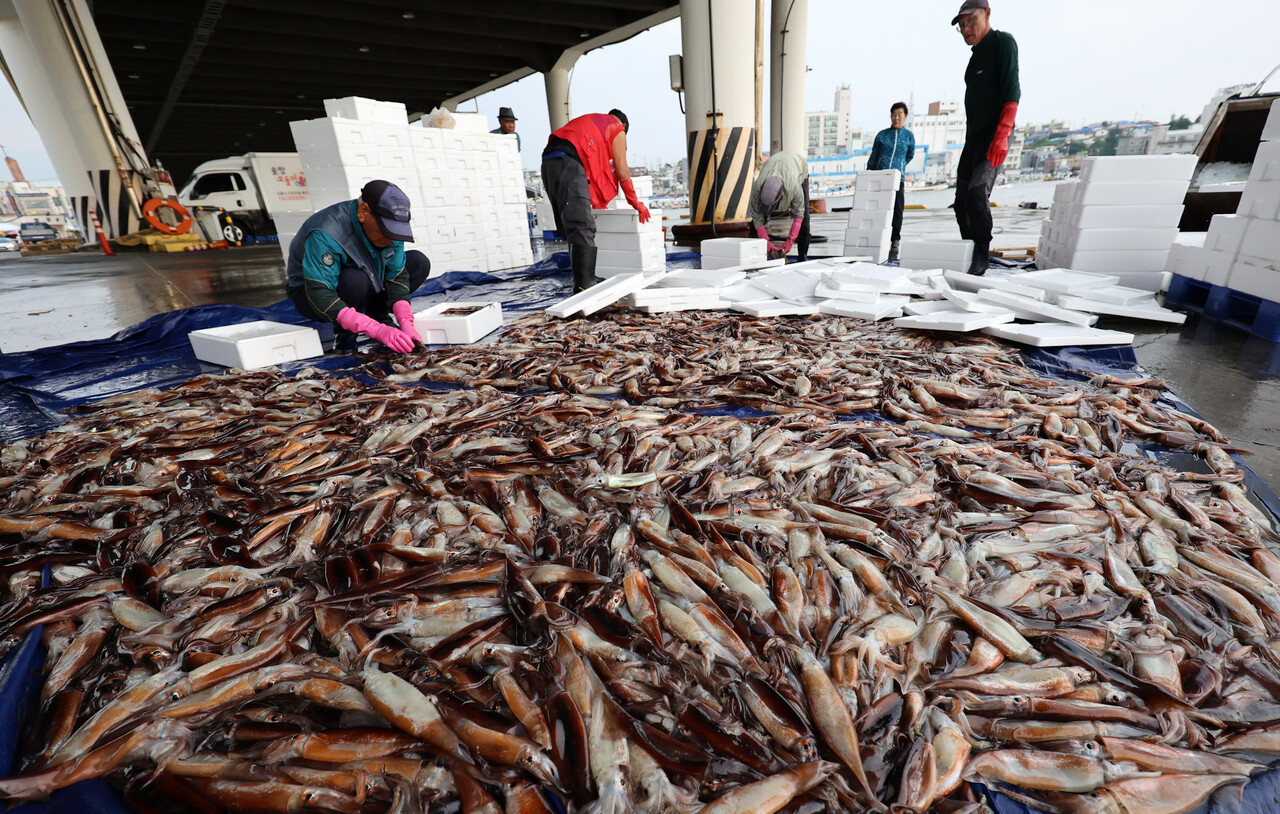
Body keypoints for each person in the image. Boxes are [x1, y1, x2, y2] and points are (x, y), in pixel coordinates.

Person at [286, 180, 430, 353]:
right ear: (364, 212)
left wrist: (405, 320)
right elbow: (319, 291)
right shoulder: (326, 232)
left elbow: (396, 275)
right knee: (355, 281)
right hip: (311, 293)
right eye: (386, 230)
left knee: (418, 262)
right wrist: (375, 330)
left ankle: (378, 314)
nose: (392, 237)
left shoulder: (392, 231)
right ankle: (345, 330)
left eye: (396, 231)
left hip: (368, 278)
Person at [541, 110, 651, 291]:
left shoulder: (591, 121)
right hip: (568, 163)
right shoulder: (616, 128)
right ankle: (584, 283)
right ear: (623, 126)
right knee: (582, 223)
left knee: (570, 224)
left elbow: (588, 171)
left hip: (549, 163)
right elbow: (622, 170)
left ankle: (582, 278)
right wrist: (635, 202)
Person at [952, 0, 1019, 276]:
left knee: (978, 192)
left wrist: (1002, 135)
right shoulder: (974, 58)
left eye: (971, 21)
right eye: (962, 25)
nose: (966, 28)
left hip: (995, 134)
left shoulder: (1003, 43)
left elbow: (1012, 91)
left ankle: (982, 250)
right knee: (960, 201)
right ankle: (968, 246)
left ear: (987, 14)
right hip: (973, 139)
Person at [867, 102, 916, 260]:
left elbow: (910, 155)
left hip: (898, 178)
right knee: (880, 208)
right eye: (894, 115)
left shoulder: (909, 136)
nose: (896, 118)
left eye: (899, 115)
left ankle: (895, 240)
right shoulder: (882, 135)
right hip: (881, 177)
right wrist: (871, 174)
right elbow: (874, 155)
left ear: (905, 116)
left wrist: (900, 166)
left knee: (897, 209)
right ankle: (878, 236)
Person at [747, 150, 810, 261]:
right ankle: (752, 255)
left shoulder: (794, 188)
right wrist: (766, 243)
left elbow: (798, 216)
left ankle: (802, 255)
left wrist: (790, 241)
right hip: (775, 164)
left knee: (805, 217)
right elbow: (757, 218)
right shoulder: (757, 188)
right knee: (755, 223)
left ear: (782, 195)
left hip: (797, 166)